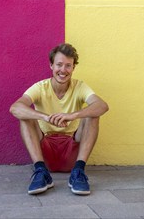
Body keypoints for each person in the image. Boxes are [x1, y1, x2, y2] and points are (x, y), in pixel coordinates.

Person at [10, 43, 109, 195]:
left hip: (72, 151)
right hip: (45, 151)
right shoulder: (40, 87)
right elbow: (15, 108)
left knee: (92, 114)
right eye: (59, 65)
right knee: (25, 116)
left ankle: (78, 173)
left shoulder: (79, 87)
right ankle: (41, 172)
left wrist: (73, 115)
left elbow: (102, 106)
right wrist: (45, 117)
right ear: (51, 65)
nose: (63, 70)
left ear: (73, 68)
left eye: (68, 65)